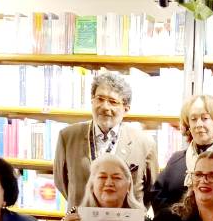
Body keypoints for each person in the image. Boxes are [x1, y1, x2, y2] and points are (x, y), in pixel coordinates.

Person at [53, 71, 159, 208]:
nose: (105, 107)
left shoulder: (145, 143)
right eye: (100, 99)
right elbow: (61, 183)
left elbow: (151, 191)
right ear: (92, 100)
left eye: (113, 102)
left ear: (126, 109)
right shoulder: (67, 137)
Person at [151, 94, 213, 213]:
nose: (199, 124)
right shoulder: (176, 159)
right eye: (193, 119)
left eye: (205, 118)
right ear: (188, 125)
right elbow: (157, 196)